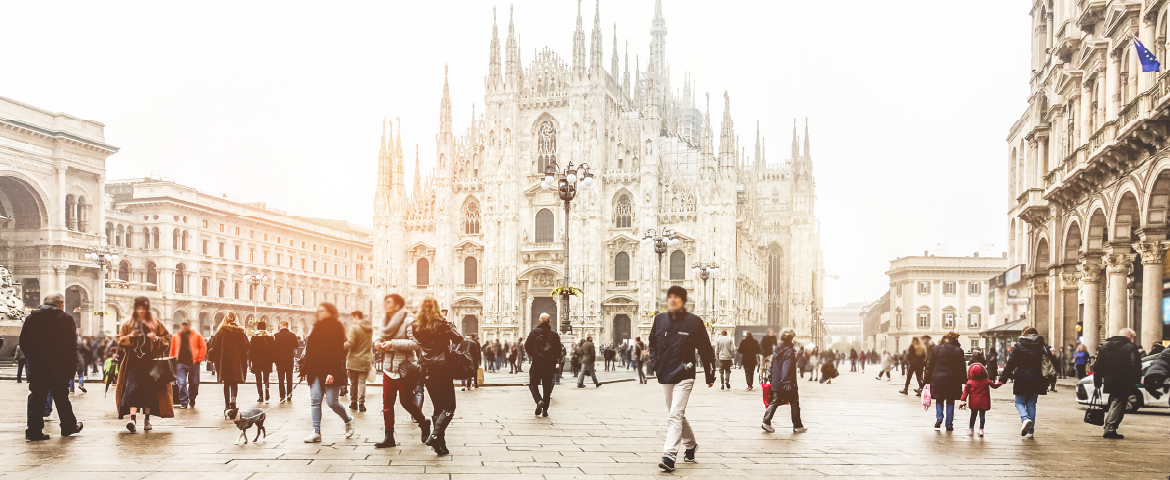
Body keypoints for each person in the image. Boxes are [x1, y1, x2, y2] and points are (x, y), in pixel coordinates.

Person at [649, 286, 716, 473]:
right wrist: (655, 364)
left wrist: (710, 374)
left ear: (683, 301)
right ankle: (691, 445)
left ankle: (669, 456)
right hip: (666, 373)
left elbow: (705, 349)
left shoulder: (694, 322)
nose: (672, 300)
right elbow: (652, 342)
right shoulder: (659, 319)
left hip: (685, 373)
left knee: (674, 415)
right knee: (676, 413)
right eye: (670, 297)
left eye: (676, 297)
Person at [21, 293, 83, 441]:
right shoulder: (65, 319)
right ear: (60, 303)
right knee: (61, 397)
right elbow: (71, 345)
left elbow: (23, 342)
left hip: (37, 367)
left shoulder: (31, 318)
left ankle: (33, 431)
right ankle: (68, 426)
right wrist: (71, 367)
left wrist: (32, 359)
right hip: (58, 367)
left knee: (36, 398)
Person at [373, 294, 429, 448]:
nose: (385, 305)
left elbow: (415, 343)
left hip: (405, 368)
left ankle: (424, 423)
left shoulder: (409, 321)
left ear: (398, 306)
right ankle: (389, 436)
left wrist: (393, 343)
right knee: (387, 403)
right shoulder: (384, 321)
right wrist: (378, 343)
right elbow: (378, 337)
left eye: (389, 303)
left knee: (406, 402)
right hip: (388, 368)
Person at [115, 296, 174, 433]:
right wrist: (131, 337)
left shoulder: (156, 323)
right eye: (138, 308)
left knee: (149, 392)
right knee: (132, 391)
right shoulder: (129, 324)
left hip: (151, 364)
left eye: (143, 308)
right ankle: (133, 420)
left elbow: (167, 338)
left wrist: (156, 338)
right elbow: (120, 340)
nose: (141, 311)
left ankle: (147, 420)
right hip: (133, 364)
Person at [413, 296, 463, 455]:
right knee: (449, 407)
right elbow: (458, 338)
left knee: (438, 407)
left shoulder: (416, 326)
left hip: (426, 370)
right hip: (442, 369)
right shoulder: (442, 325)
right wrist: (446, 322)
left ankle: (440, 445)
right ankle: (435, 436)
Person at [300, 302, 356, 443]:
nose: (320, 313)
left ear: (331, 313)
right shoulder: (315, 329)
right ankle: (316, 431)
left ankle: (348, 420)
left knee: (332, 403)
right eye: (319, 311)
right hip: (315, 371)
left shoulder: (337, 328)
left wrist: (332, 372)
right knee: (315, 400)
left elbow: (339, 353)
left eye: (323, 311)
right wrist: (303, 370)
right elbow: (309, 352)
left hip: (332, 370)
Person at [1000, 326, 1050, 439]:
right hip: (1037, 378)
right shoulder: (1041, 346)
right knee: (1031, 404)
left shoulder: (1019, 346)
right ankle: (1030, 432)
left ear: (1023, 334)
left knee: (1019, 402)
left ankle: (1025, 418)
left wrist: (1004, 377)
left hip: (1022, 377)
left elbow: (1010, 363)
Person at [1094, 328, 1142, 439]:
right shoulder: (1130, 347)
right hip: (1123, 380)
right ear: (1129, 336)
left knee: (1115, 401)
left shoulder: (1105, 347)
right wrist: (1134, 381)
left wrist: (1097, 380)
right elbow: (1135, 365)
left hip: (1110, 379)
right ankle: (1110, 428)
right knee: (1118, 403)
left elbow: (1098, 365)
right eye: (1133, 337)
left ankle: (1109, 426)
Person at [761, 328, 805, 433]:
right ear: (790, 339)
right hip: (787, 382)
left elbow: (772, 365)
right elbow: (786, 366)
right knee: (794, 402)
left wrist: (771, 378)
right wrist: (787, 381)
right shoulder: (789, 351)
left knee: (775, 401)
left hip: (777, 381)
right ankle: (797, 425)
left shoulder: (777, 349)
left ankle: (766, 421)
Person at [924, 331, 966, 431]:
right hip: (953, 380)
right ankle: (949, 424)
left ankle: (939, 417)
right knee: (950, 401)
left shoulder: (936, 349)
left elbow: (929, 366)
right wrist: (964, 380)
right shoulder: (958, 350)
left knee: (939, 399)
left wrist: (926, 380)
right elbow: (961, 367)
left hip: (938, 378)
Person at [208, 312, 249, 413]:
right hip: (236, 362)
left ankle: (227, 405)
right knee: (234, 383)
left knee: (226, 383)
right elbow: (247, 346)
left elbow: (213, 345)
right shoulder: (240, 332)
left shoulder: (221, 332)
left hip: (224, 362)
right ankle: (233, 399)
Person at [524, 312, 561, 417]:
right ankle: (545, 410)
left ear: (539, 320)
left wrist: (534, 355)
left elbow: (527, 346)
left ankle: (539, 400)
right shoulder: (554, 334)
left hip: (537, 363)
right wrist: (553, 359)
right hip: (549, 364)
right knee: (547, 387)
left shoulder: (534, 333)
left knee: (533, 384)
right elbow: (558, 350)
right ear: (550, 321)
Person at [169, 320, 207, 409]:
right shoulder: (176, 337)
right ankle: (184, 402)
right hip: (180, 363)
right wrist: (171, 361)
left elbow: (203, 347)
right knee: (181, 383)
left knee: (194, 383)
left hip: (194, 363)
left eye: (186, 325)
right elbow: (173, 349)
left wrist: (199, 359)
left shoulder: (197, 336)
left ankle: (192, 397)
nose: (184, 327)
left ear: (189, 326)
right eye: (183, 325)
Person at [959, 362, 1001, 437]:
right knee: (982, 416)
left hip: (973, 402)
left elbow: (965, 392)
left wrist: (963, 400)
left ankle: (971, 429)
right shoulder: (986, 381)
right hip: (983, 402)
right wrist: (1001, 382)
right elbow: (995, 386)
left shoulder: (969, 382)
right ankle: (981, 429)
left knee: (973, 415)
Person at [343, 311, 372, 412]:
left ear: (356, 317)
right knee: (362, 383)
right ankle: (362, 404)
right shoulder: (370, 329)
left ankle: (353, 403)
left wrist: (341, 347)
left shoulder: (354, 328)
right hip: (365, 360)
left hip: (354, 360)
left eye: (352, 319)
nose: (352, 321)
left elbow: (350, 343)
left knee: (353, 383)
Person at [250, 321, 275, 404]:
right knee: (266, 376)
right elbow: (272, 350)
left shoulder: (254, 337)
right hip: (267, 360)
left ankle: (260, 396)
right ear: (265, 327)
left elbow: (251, 350)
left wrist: (250, 361)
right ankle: (267, 387)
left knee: (258, 378)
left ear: (258, 327)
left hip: (257, 360)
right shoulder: (270, 337)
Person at [274, 320, 299, 402]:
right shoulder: (292, 335)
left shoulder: (276, 335)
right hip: (289, 359)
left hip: (279, 360)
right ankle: (289, 395)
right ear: (287, 326)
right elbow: (296, 345)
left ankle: (282, 396)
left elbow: (273, 348)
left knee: (281, 378)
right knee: (289, 377)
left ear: (280, 326)